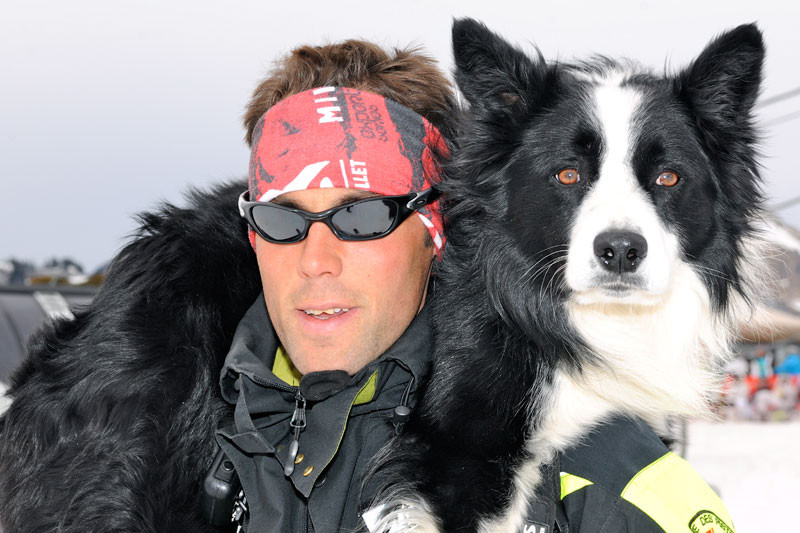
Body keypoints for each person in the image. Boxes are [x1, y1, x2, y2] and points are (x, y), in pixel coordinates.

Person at [0, 40, 455, 533]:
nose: (315, 260)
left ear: (434, 229)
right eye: (284, 220)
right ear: (253, 234)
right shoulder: (138, 445)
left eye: (362, 217)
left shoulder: (525, 459)